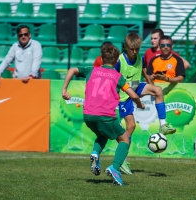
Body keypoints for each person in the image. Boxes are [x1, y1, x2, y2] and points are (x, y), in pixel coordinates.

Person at [62, 44, 145, 186]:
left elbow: (72, 69)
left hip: (88, 115)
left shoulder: (91, 70)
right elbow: (132, 94)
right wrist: (139, 104)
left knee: (103, 135)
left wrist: (64, 89)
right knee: (124, 140)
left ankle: (95, 152)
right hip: (106, 116)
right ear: (117, 61)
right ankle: (115, 168)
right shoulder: (118, 77)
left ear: (101, 59)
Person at [115, 33, 176, 175]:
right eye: (132, 49)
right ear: (126, 47)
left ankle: (163, 125)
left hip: (135, 88)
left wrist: (152, 87)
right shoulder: (119, 61)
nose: (134, 52)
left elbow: (144, 72)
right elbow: (112, 81)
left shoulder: (140, 58)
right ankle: (122, 160)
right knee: (131, 126)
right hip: (123, 97)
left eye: (137, 49)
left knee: (158, 90)